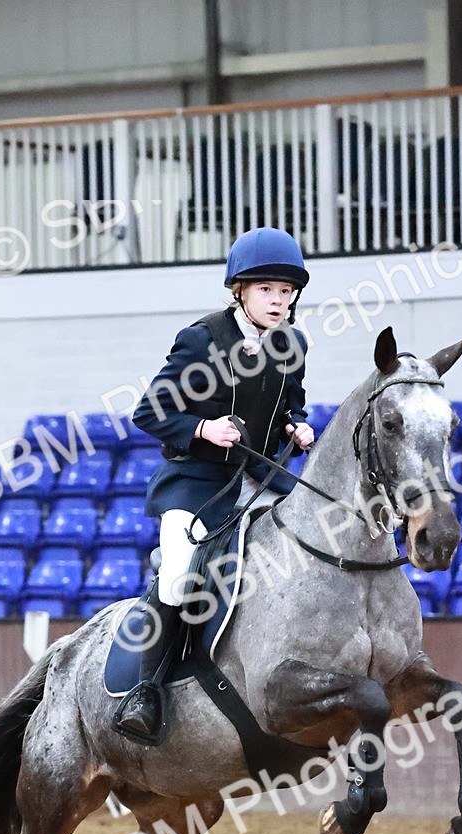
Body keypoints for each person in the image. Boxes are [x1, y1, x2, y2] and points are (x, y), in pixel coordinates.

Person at [114, 227, 315, 743]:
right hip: (197, 481)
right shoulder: (202, 339)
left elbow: (290, 396)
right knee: (180, 576)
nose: (278, 300)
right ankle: (147, 693)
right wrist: (203, 429)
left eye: (285, 291)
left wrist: (296, 421)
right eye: (266, 290)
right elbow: (149, 411)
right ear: (240, 291)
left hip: (259, 478)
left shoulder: (293, 342)